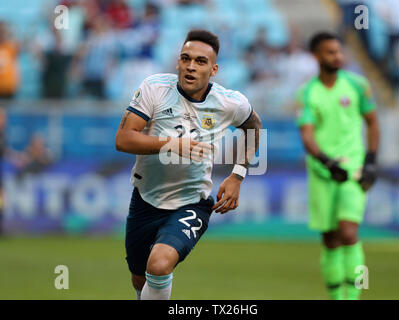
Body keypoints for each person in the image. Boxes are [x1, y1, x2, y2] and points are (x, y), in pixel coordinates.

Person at [115, 29, 262, 300]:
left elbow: (254, 126)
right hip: (145, 200)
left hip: (191, 202)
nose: (191, 66)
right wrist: (170, 144)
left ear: (214, 69)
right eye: (186, 58)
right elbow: (123, 139)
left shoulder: (229, 102)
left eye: (200, 61)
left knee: (158, 265)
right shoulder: (154, 88)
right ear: (177, 62)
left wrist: (237, 175)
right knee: (139, 277)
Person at [296, 32, 380, 300]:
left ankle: (353, 297)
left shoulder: (357, 85)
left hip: (353, 169)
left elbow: (373, 122)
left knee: (348, 232)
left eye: (339, 51)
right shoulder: (308, 92)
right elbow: (307, 135)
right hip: (323, 172)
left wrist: (371, 161)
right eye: (330, 52)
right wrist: (326, 161)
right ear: (317, 56)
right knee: (330, 239)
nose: (338, 56)